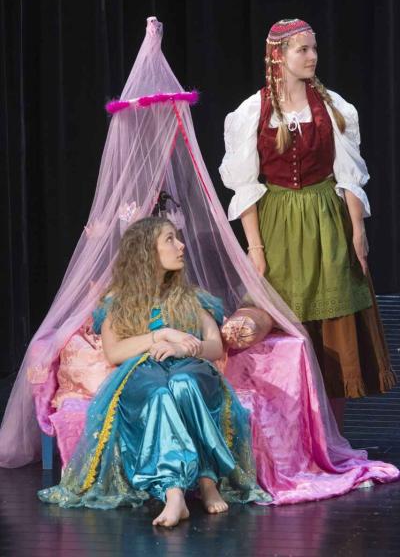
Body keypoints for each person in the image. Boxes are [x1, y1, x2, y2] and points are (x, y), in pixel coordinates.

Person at [220, 18, 396, 428]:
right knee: (285, 321)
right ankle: (291, 435)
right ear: (278, 56)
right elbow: (245, 187)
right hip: (277, 225)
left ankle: (332, 436)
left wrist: (358, 232)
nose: (312, 56)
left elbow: (349, 176)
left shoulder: (334, 107)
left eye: (314, 48)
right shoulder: (252, 111)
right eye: (303, 50)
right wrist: (255, 248)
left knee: (335, 330)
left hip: (327, 223)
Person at [38, 216, 271, 526]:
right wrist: (160, 336)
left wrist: (184, 349)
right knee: (160, 394)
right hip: (142, 369)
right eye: (170, 239)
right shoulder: (119, 301)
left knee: (184, 384)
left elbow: (215, 347)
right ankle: (174, 493)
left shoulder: (192, 297)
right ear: (147, 252)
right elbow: (114, 352)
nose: (181, 246)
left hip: (190, 366)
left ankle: (206, 481)